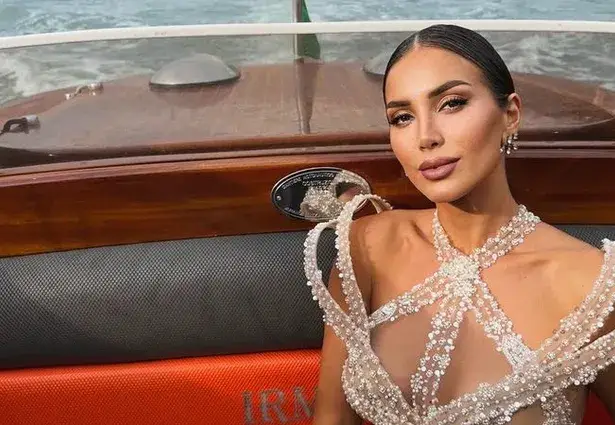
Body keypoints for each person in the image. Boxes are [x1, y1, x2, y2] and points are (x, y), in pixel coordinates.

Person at [303, 24, 615, 425]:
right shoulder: (366, 246)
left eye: (452, 103)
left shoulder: (593, 285)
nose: (426, 137)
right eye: (402, 117)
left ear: (510, 115)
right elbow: (331, 418)